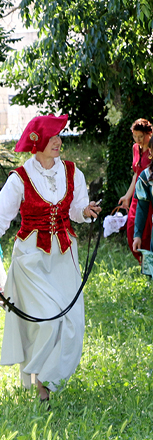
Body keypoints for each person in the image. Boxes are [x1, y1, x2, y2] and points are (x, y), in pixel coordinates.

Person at [0, 115, 101, 403]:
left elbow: (76, 210)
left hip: (64, 257)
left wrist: (86, 211)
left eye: (59, 136)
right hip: (31, 260)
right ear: (38, 142)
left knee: (72, 322)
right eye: (53, 137)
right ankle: (39, 382)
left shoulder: (72, 172)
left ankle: (48, 378)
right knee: (45, 322)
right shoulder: (19, 179)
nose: (59, 141)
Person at [118, 118, 153, 261]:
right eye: (135, 136)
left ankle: (151, 263)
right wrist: (127, 196)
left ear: (149, 133)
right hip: (136, 194)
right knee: (132, 228)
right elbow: (136, 174)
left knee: (148, 230)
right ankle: (142, 261)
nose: (138, 140)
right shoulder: (135, 148)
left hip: (150, 194)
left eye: (141, 136)